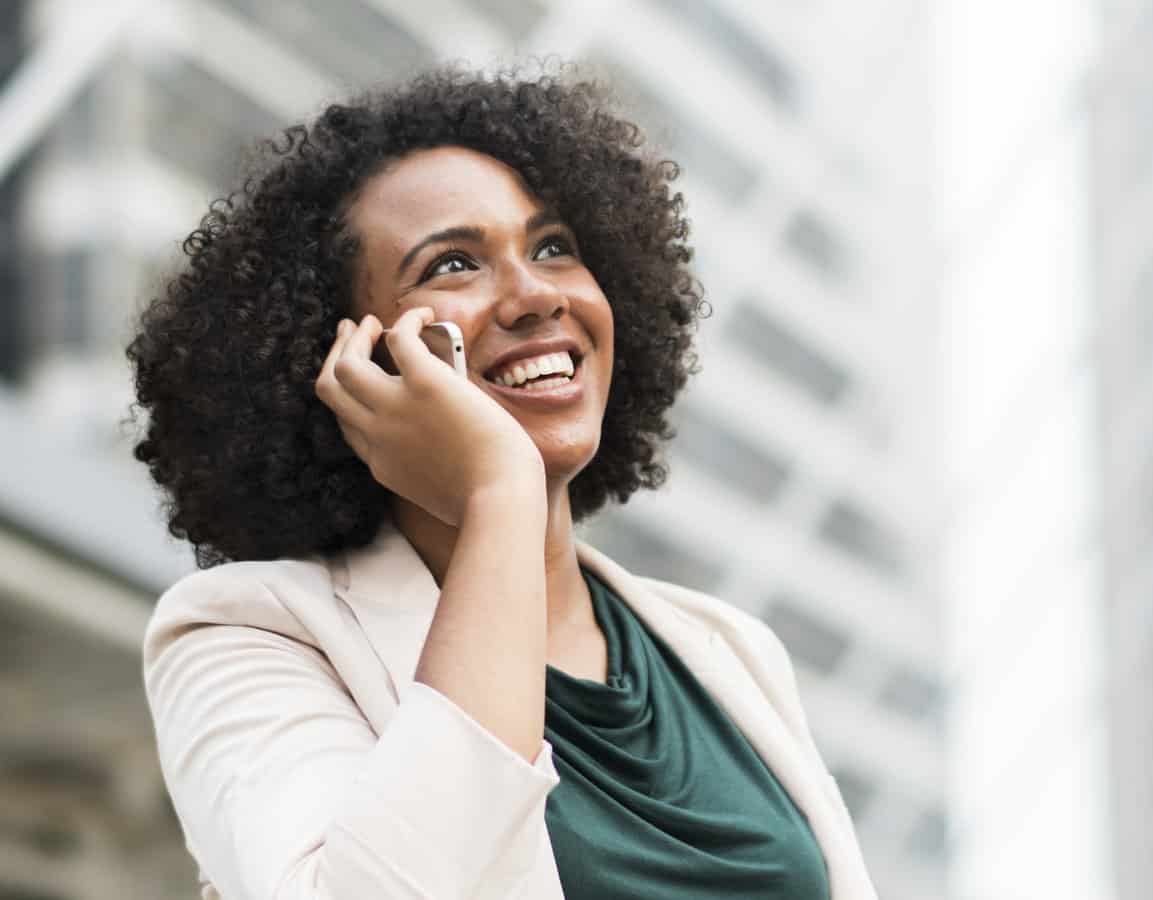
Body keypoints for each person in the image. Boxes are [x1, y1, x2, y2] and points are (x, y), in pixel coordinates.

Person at [127, 63, 878, 900]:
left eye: (554, 248)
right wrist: (498, 493)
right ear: (348, 359)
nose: (533, 296)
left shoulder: (728, 649)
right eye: (453, 265)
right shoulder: (249, 639)